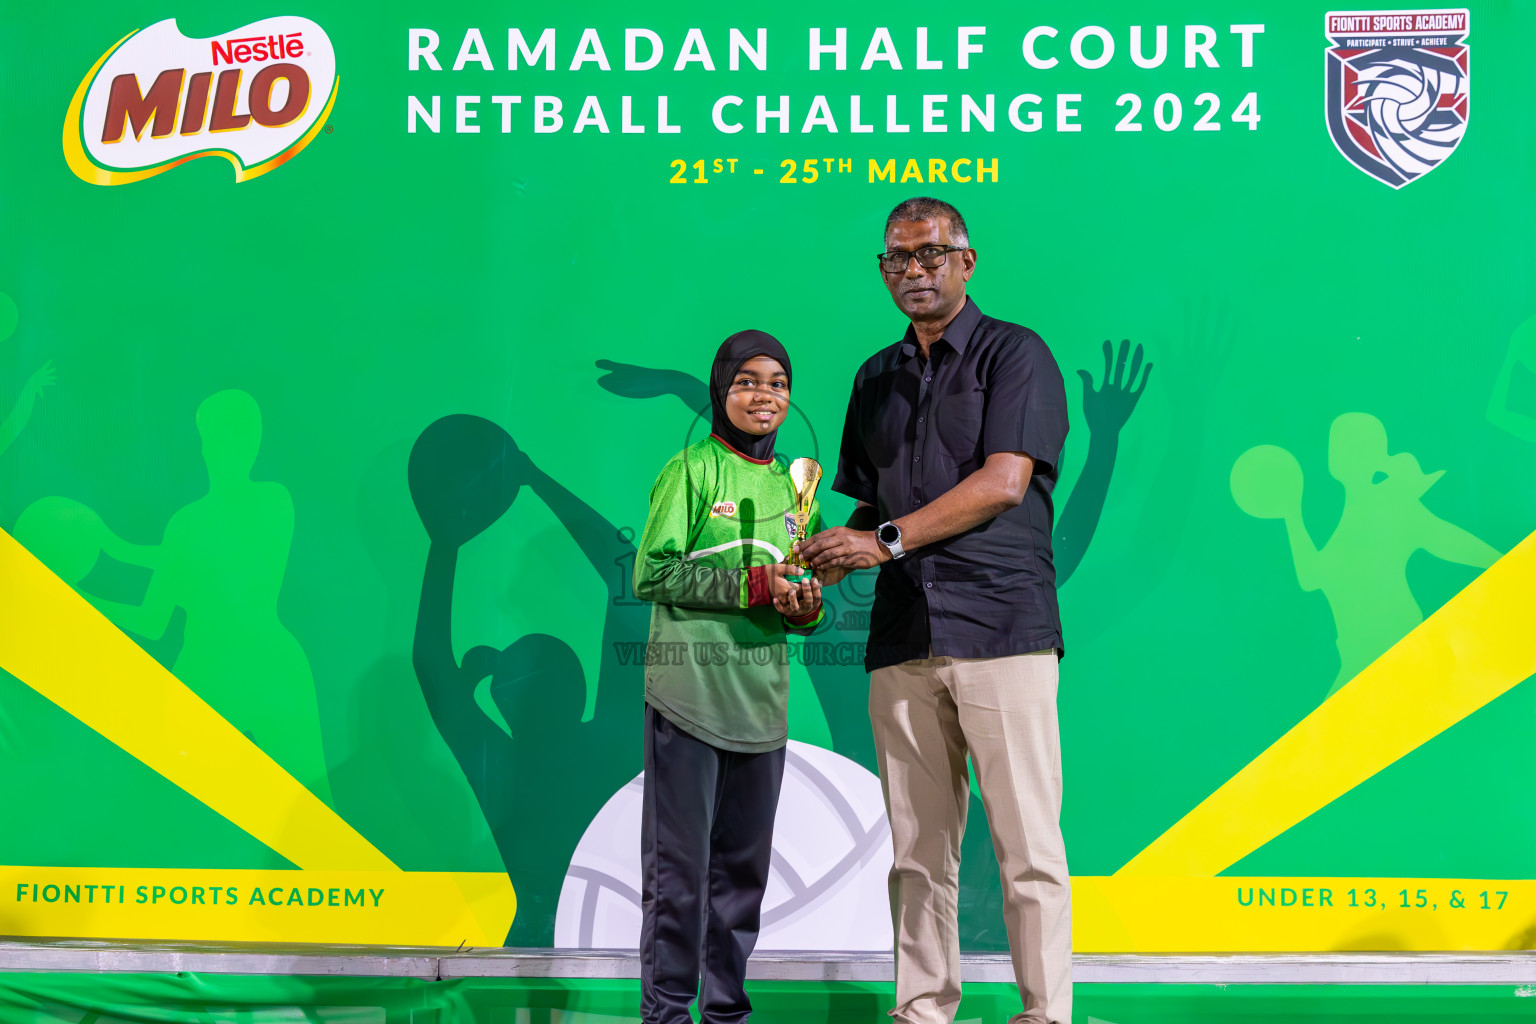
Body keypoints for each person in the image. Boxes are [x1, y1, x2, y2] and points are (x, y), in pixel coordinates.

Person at [797, 197, 1072, 1024]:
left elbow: (1004, 482)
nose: (913, 271)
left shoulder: (1013, 353)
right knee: (917, 853)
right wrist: (817, 564)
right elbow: (867, 509)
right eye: (897, 259)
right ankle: (921, 1008)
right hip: (903, 637)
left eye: (929, 254)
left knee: (1027, 847)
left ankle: (1046, 1012)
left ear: (967, 261)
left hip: (1000, 628)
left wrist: (879, 541)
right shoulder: (873, 378)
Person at [632, 330, 822, 1024]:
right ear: (720, 390)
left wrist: (805, 604)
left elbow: (800, 598)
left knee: (742, 880)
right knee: (678, 879)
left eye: (776, 382)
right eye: (747, 381)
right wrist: (756, 583)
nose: (763, 395)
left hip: (762, 707)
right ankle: (668, 1014)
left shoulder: (795, 488)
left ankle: (725, 1013)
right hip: (688, 700)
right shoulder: (690, 470)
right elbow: (651, 573)